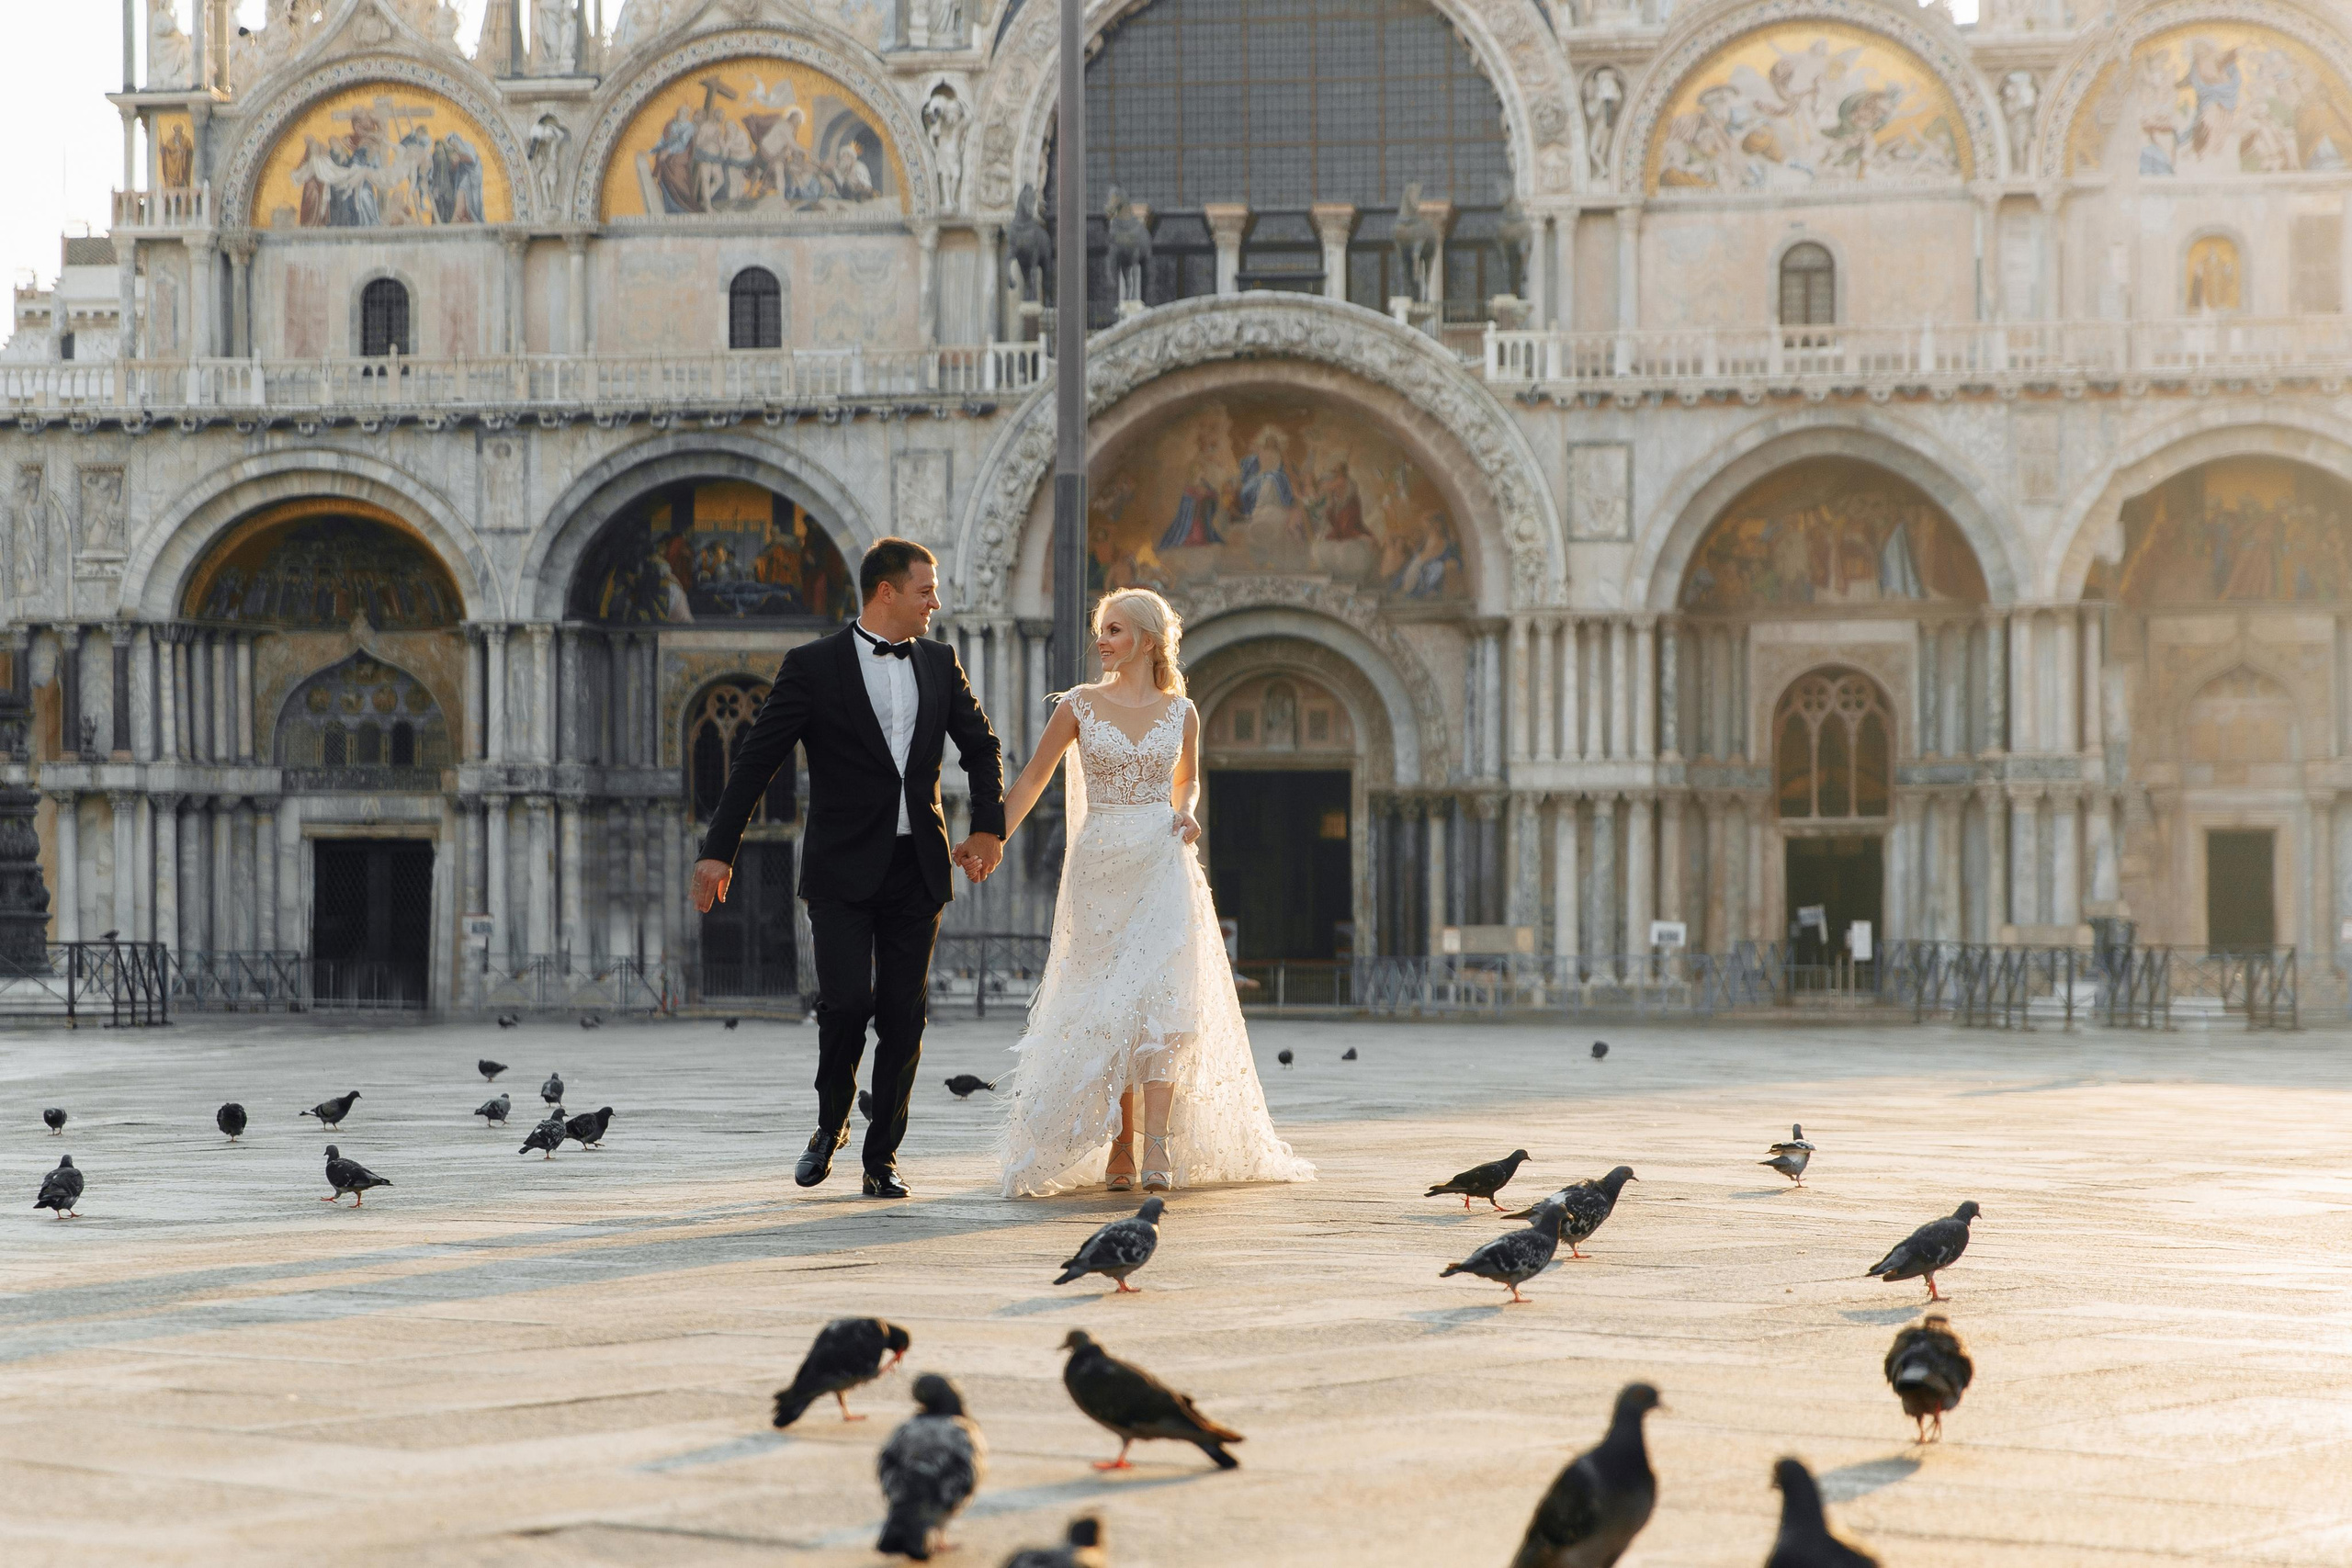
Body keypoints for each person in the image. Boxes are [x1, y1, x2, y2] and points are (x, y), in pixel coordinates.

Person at [690, 538, 1005, 1199]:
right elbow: (756, 760)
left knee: (903, 1013)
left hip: (916, 865)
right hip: (839, 869)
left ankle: (881, 1154)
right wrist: (719, 849)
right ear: (885, 591)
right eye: (927, 589)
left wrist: (987, 828)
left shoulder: (942, 664)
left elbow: (981, 748)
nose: (936, 602)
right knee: (845, 1005)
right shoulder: (813, 666)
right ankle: (831, 1120)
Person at [992, 588, 1313, 1197]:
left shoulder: (1182, 711)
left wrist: (1186, 811)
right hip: (1101, 864)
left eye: (1112, 629)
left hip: (1162, 856)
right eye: (1100, 629)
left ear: (1143, 637)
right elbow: (1034, 776)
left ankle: (1157, 1143)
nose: (1101, 640)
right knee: (1110, 1003)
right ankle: (1118, 1139)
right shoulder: (1079, 705)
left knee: (1164, 999)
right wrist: (993, 840)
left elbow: (1186, 780)